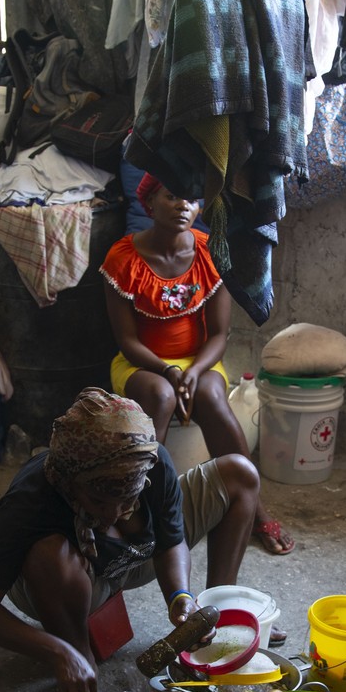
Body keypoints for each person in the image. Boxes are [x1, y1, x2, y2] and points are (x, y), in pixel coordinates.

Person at [0, 388, 261, 692]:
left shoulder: (147, 460)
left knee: (239, 474)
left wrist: (180, 598)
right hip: (64, 581)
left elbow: (172, 541)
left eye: (129, 500)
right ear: (71, 482)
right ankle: (78, 654)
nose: (115, 514)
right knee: (49, 557)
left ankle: (219, 614)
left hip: (133, 556)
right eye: (99, 501)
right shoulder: (32, 499)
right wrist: (59, 653)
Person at [101, 174, 294, 558]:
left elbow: (220, 335)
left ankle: (255, 510)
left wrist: (190, 371)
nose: (182, 206)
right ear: (150, 203)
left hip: (199, 361)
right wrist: (168, 371)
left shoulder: (210, 253)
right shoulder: (122, 258)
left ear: (201, 207)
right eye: (172, 195)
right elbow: (127, 342)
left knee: (210, 393)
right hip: (141, 362)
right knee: (159, 396)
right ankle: (136, 509)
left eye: (191, 199)